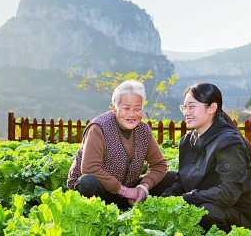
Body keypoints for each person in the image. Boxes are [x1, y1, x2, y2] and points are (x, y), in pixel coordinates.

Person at [162, 82, 251, 233]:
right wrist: (164, 200)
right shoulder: (187, 141)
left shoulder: (229, 142)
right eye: (184, 107)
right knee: (162, 181)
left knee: (205, 211)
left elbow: (228, 194)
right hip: (203, 200)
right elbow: (181, 179)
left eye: (192, 107)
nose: (186, 113)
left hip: (235, 215)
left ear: (212, 108)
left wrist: (189, 197)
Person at [67, 79, 176, 209]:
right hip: (99, 193)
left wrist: (143, 188)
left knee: (174, 178)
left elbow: (159, 165)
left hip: (128, 191)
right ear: (115, 108)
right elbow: (90, 168)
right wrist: (123, 190)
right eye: (126, 108)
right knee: (87, 182)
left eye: (137, 109)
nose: (132, 114)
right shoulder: (99, 127)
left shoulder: (143, 130)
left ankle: (142, 206)